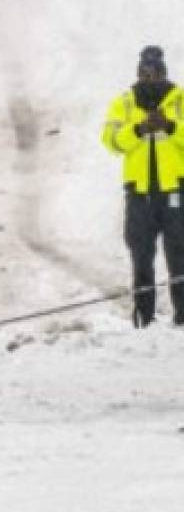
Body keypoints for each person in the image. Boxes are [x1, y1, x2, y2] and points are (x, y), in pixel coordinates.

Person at [101, 46, 184, 327]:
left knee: (180, 254)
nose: (150, 77)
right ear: (138, 72)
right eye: (145, 72)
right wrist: (137, 130)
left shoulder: (180, 100)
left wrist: (171, 127)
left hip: (176, 191)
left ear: (164, 72)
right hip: (139, 194)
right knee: (141, 256)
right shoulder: (124, 102)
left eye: (155, 72)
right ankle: (144, 319)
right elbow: (110, 141)